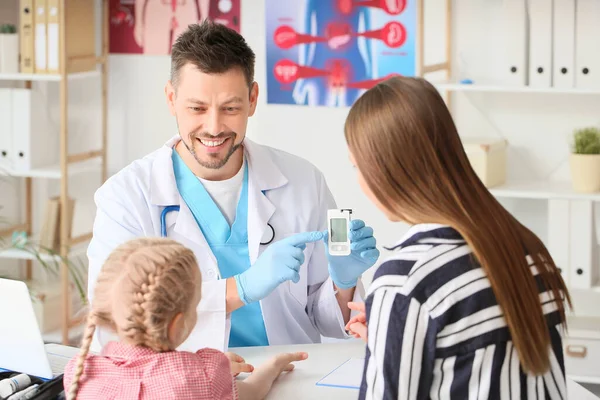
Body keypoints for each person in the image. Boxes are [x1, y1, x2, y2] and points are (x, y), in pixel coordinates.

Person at [87, 21, 379, 357]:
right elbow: (115, 322)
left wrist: (344, 283)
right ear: (171, 98)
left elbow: (332, 321)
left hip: (291, 375)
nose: (213, 127)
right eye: (197, 108)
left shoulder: (303, 181)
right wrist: (239, 289)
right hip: (185, 382)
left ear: (252, 100)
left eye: (230, 108)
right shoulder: (127, 196)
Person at [342, 76, 571, 399]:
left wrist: (398, 316)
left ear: (386, 170)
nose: (361, 183)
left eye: (357, 167)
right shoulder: (528, 248)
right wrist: (393, 333)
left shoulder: (405, 279)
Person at [65, 237, 308, 400]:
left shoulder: (79, 371)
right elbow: (252, 392)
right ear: (179, 323)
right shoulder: (203, 375)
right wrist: (273, 365)